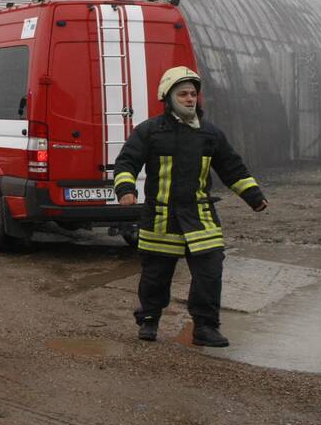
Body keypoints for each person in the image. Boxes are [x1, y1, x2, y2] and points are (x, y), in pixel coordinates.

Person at [113, 66, 268, 347]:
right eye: (183, 94)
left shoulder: (210, 134)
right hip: (161, 216)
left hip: (200, 216)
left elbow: (232, 168)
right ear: (168, 97)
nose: (189, 99)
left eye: (193, 94)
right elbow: (126, 162)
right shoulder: (149, 131)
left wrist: (254, 196)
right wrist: (125, 189)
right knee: (155, 275)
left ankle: (205, 328)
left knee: (210, 270)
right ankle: (149, 320)